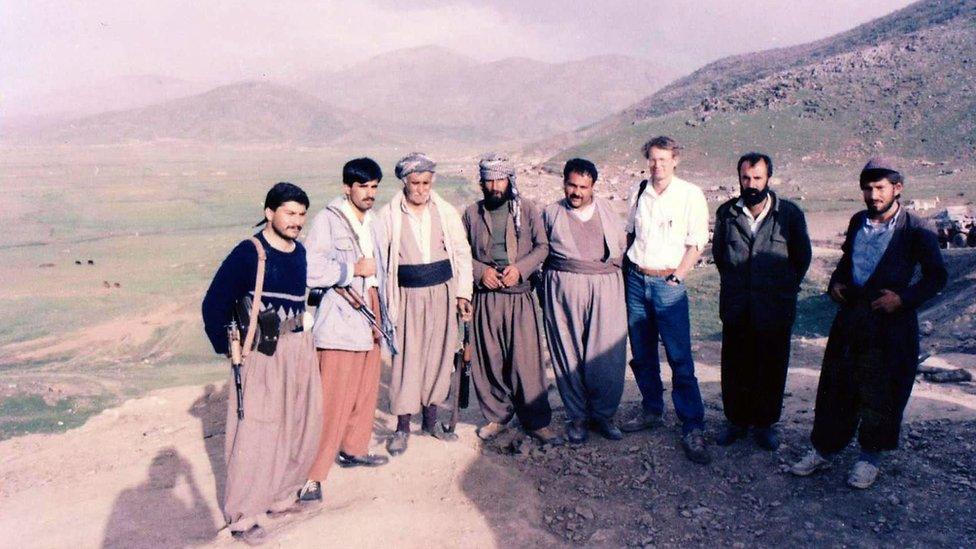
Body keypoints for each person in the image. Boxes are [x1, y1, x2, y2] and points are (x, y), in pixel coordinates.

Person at [791, 157, 947, 489]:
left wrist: (902, 299)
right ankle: (823, 450)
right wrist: (834, 284)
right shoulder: (857, 221)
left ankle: (869, 459)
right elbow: (847, 261)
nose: (873, 195)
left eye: (880, 188)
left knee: (883, 393)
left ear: (897, 189)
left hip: (892, 326)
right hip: (852, 321)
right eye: (867, 188)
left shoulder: (916, 229)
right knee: (836, 388)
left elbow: (937, 277)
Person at [201, 182, 323, 544]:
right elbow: (214, 302)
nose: (297, 221)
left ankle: (282, 497)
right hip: (262, 352)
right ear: (269, 212)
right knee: (254, 433)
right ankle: (242, 517)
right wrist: (229, 346)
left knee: (298, 424)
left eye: (302, 214)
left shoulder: (299, 253)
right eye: (289, 212)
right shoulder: (249, 252)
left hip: (299, 348)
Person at [300, 158, 389, 504]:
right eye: (363, 186)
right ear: (346, 187)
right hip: (341, 315)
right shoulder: (327, 220)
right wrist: (351, 268)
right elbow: (310, 269)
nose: (369, 194)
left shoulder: (375, 221)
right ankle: (312, 476)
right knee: (333, 398)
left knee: (366, 389)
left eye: (374, 187)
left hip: (372, 309)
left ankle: (353, 449)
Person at [373, 152, 474, 456]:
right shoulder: (388, 216)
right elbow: (380, 263)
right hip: (406, 295)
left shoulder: (445, 212)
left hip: (442, 291)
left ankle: (431, 422)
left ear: (433, 181)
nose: (420, 189)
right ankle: (403, 427)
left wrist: (463, 293)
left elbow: (460, 252)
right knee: (407, 358)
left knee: (440, 356)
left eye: (425, 183)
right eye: (415, 183)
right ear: (405, 182)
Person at [712, 152, 812, 450]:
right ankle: (736, 422)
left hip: (774, 308)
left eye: (757, 178)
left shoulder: (790, 215)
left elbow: (801, 258)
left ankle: (765, 424)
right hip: (737, 307)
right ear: (739, 178)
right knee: (735, 366)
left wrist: (780, 290)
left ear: (769, 178)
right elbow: (720, 256)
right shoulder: (726, 213)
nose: (751, 184)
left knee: (771, 366)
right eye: (746, 178)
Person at [621, 136, 711, 464]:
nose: (657, 165)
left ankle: (692, 423)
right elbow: (630, 233)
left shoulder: (690, 194)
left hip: (668, 284)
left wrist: (679, 274)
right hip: (636, 280)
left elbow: (697, 241)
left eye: (663, 159)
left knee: (679, 357)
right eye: (652, 160)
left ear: (676, 160)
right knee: (642, 354)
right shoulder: (639, 191)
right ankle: (651, 410)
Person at [461, 153, 562, 445]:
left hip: (519, 297)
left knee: (526, 362)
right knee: (490, 360)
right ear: (481, 182)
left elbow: (543, 247)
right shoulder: (471, 213)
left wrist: (521, 269)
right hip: (487, 298)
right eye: (489, 180)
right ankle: (497, 418)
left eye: (500, 179)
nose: (495, 186)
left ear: (509, 180)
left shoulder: (528, 211)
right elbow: (460, 252)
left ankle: (537, 421)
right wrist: (480, 272)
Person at [540, 158, 628, 444]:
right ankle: (576, 417)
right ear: (564, 183)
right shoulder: (550, 214)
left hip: (606, 287)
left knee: (607, 354)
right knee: (567, 352)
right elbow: (539, 251)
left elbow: (622, 250)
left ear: (593, 187)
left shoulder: (609, 211)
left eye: (583, 187)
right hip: (564, 287)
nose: (576, 192)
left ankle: (603, 416)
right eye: (571, 185)